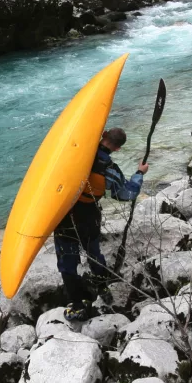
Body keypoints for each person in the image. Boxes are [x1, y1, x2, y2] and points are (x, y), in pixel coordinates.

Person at [54, 127, 149, 321]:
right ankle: (101, 284)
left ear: (103, 135)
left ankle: (77, 306)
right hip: (90, 216)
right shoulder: (110, 170)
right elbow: (125, 194)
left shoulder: (74, 155)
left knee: (67, 260)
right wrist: (139, 173)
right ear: (118, 149)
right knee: (93, 251)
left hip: (66, 216)